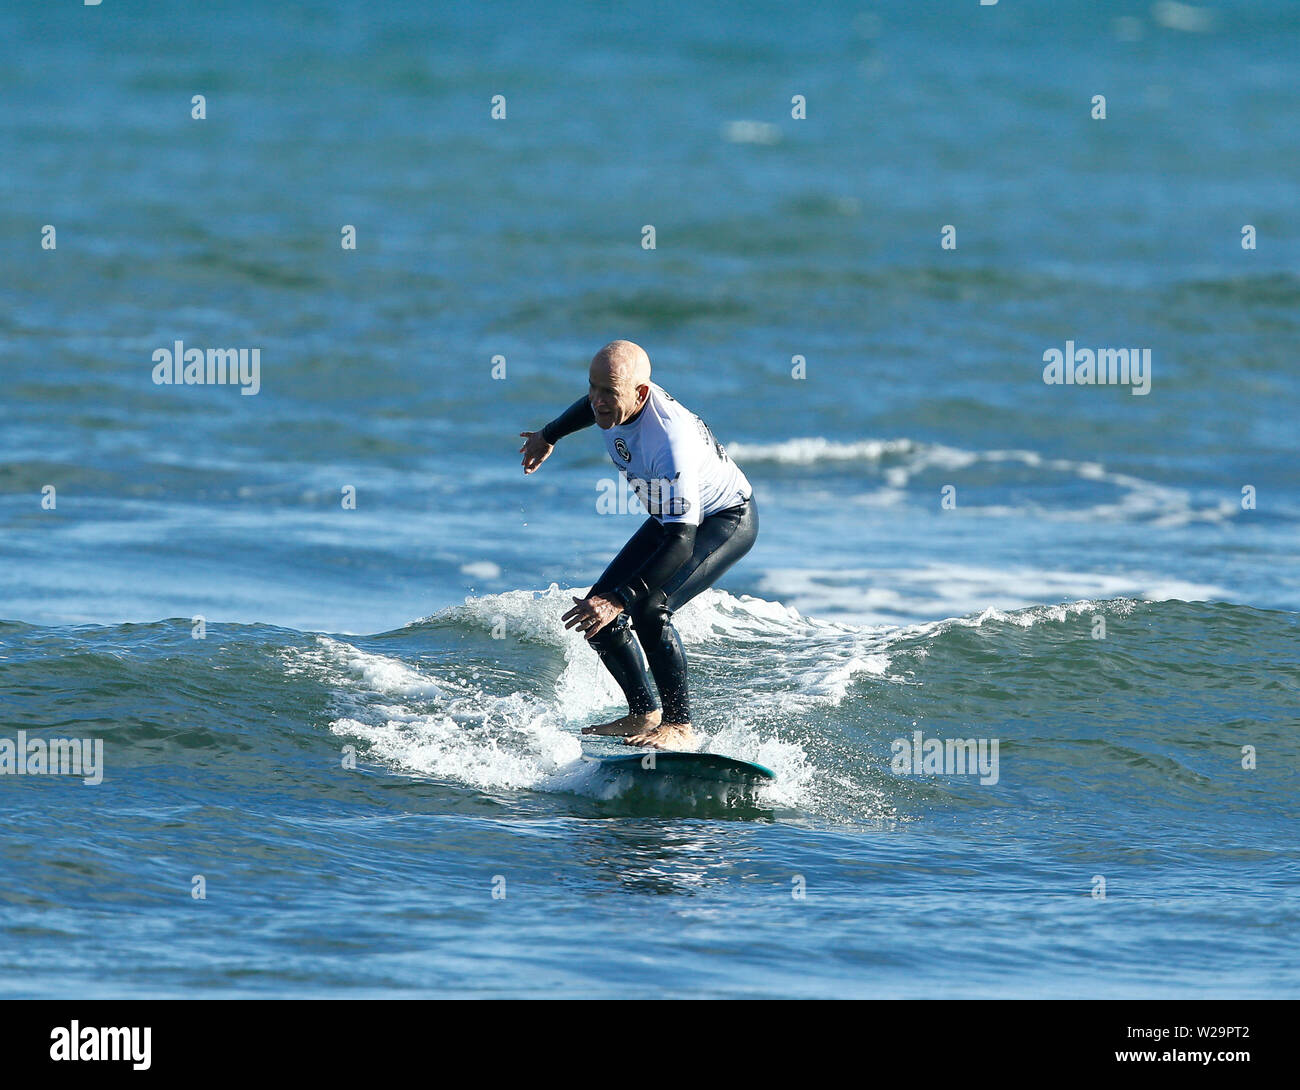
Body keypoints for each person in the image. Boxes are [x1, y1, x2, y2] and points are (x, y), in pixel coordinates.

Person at [518, 340, 757, 750]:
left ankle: (680, 724)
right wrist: (548, 434)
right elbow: (591, 405)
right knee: (597, 615)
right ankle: (642, 714)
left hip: (723, 519)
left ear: (640, 393)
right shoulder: (614, 400)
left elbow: (682, 542)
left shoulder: (669, 441)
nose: (597, 402)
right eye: (592, 387)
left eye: (608, 393)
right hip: (670, 519)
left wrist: (620, 598)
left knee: (648, 608)